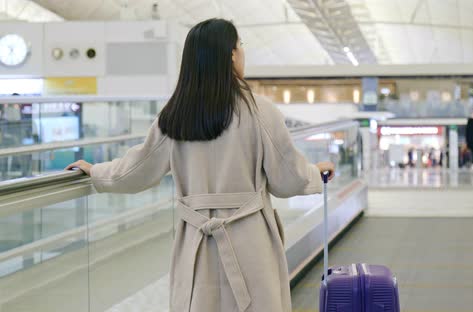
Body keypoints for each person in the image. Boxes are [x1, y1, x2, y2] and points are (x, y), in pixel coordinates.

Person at [65, 18, 334, 312]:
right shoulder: (260, 111)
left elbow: (138, 169)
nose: (242, 52)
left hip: (196, 242)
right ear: (231, 54)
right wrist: (314, 171)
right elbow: (288, 178)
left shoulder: (175, 114)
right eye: (240, 46)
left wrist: (96, 171)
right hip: (251, 241)